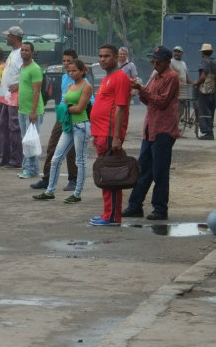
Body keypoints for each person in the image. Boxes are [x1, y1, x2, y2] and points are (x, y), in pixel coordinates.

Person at [121, 45, 180, 220]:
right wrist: (140, 90)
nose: (155, 64)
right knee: (143, 169)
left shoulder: (172, 77)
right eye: (153, 61)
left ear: (167, 62)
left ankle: (160, 208)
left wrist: (141, 88)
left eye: (159, 62)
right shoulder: (155, 75)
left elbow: (161, 102)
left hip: (163, 130)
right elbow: (149, 101)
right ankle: (135, 205)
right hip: (150, 128)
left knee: (160, 171)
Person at [32, 59, 92, 204]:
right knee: (56, 159)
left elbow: (78, 109)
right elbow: (66, 105)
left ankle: (77, 194)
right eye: (69, 71)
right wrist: (65, 108)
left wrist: (64, 109)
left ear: (82, 71)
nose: (71, 73)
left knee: (80, 160)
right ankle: (50, 191)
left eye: (74, 71)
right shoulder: (70, 86)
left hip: (81, 125)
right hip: (68, 125)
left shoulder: (86, 86)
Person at [88, 44, 131, 226]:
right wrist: (95, 134)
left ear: (116, 57)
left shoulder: (120, 77)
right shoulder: (107, 78)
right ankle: (108, 213)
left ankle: (112, 216)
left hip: (109, 134)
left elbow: (120, 108)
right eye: (100, 56)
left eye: (106, 56)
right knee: (106, 174)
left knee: (110, 175)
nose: (102, 59)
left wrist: (115, 137)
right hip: (101, 134)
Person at [30, 49, 82, 192]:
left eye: (69, 61)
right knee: (52, 146)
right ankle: (46, 179)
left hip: (75, 117)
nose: (66, 64)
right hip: (63, 116)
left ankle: (73, 179)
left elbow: (89, 101)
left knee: (71, 150)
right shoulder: (65, 77)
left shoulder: (82, 80)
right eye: (64, 61)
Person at [0, 26, 25, 170]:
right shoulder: (13, 53)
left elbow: (24, 71)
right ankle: (5, 157)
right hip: (7, 96)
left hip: (14, 96)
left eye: (8, 36)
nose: (6, 38)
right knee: (2, 127)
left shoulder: (20, 53)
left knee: (14, 128)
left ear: (14, 37)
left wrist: (19, 85)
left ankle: (16, 159)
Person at [16, 42, 44, 179]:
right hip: (22, 110)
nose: (24, 52)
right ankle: (27, 167)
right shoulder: (23, 67)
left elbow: (36, 92)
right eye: (22, 50)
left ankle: (32, 170)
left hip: (32, 111)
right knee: (25, 140)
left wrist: (33, 112)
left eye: (27, 50)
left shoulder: (35, 69)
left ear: (32, 52)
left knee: (31, 141)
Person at [194, 43, 215, 140]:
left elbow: (203, 76)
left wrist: (196, 83)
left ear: (202, 52)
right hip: (212, 91)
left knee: (204, 110)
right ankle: (210, 132)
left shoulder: (204, 61)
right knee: (211, 111)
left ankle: (207, 132)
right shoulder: (213, 62)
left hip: (204, 91)